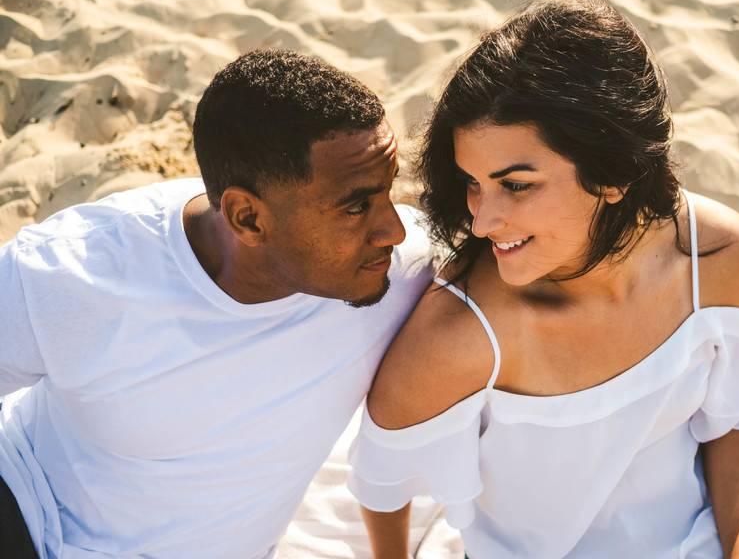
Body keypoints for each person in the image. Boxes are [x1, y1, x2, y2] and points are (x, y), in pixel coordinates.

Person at [349, 0, 739, 558]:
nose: (482, 220)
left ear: (613, 173)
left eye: (515, 184)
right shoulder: (460, 334)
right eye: (473, 182)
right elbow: (381, 485)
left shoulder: (718, 259)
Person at [0, 49, 434, 558]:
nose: (394, 229)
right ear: (247, 219)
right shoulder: (75, 273)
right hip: (25, 511)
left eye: (387, 193)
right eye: (357, 207)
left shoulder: (397, 268)